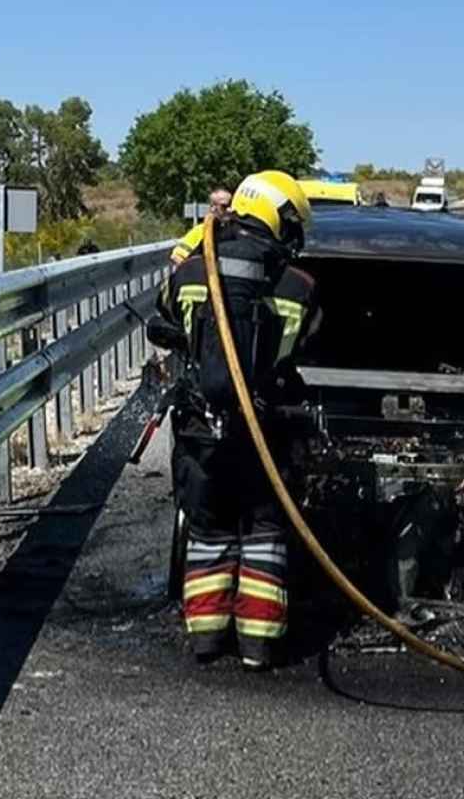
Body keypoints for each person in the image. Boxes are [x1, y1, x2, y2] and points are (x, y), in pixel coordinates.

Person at [155, 171, 318, 670]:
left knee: (208, 528)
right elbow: (304, 342)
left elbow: (164, 321)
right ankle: (258, 644)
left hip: (202, 433)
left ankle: (206, 638)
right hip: (266, 431)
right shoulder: (298, 286)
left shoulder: (188, 273)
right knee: (265, 531)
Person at [170, 187, 234, 265]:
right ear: (213, 208)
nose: (230, 210)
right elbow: (177, 256)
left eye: (231, 205)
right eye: (224, 206)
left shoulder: (237, 230)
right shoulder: (200, 231)